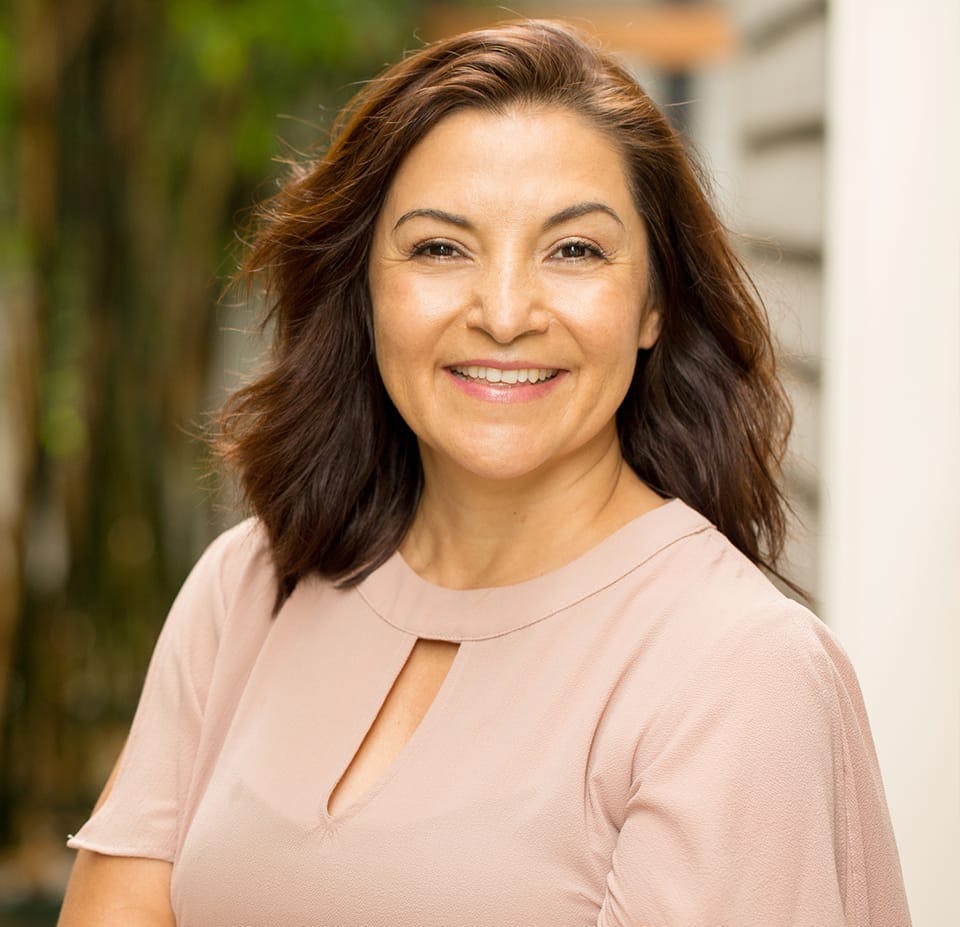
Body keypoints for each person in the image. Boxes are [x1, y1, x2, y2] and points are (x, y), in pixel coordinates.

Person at [57, 19, 911, 926]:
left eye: (574, 250)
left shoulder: (737, 676)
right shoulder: (250, 585)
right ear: (367, 288)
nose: (504, 313)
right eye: (440, 248)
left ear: (655, 301)